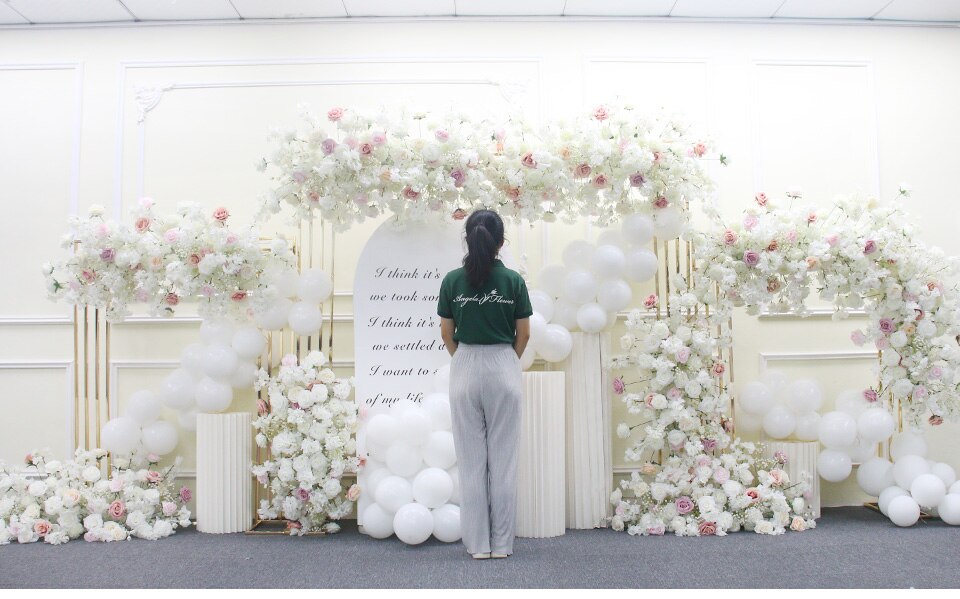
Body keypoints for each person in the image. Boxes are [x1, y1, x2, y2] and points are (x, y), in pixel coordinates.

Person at [436, 209, 532, 560]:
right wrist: (506, 361)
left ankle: (478, 545)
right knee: (503, 462)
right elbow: (524, 334)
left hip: (465, 363)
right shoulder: (513, 282)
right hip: (503, 364)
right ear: (501, 242)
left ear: (467, 238)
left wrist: (464, 359)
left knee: (471, 462)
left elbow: (447, 334)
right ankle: (502, 544)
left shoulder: (451, 281)